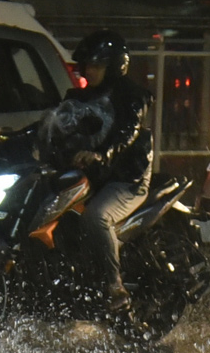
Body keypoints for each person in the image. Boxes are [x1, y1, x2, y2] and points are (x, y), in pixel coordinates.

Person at [62, 29, 154, 321]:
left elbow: (127, 133)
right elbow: (55, 122)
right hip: (93, 174)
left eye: (97, 65)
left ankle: (115, 288)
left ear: (114, 66)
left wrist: (103, 154)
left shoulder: (132, 97)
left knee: (96, 217)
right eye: (87, 65)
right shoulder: (79, 97)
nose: (89, 71)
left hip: (127, 178)